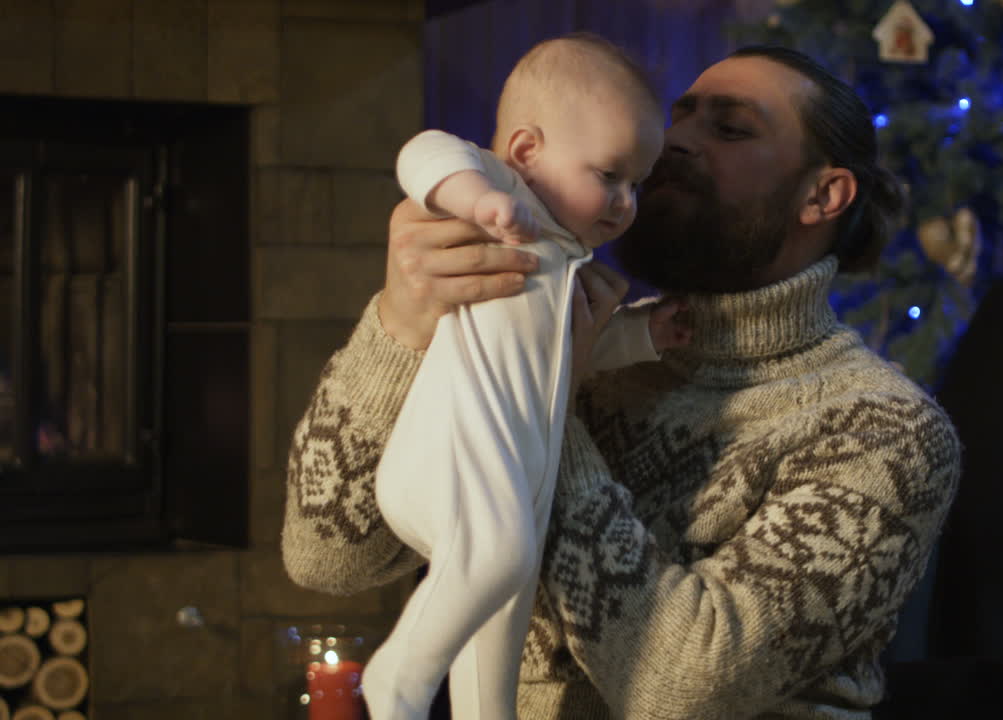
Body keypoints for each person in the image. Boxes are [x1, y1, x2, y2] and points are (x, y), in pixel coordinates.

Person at [283, 43, 962, 719]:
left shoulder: (883, 428)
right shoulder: (566, 330)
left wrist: (550, 401)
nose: (674, 144)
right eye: (680, 116)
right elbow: (329, 561)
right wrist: (405, 322)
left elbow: (680, 688)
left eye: (728, 129)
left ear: (823, 194)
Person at [360, 34, 685, 720]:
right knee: (499, 552)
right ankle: (396, 680)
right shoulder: (508, 202)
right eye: (609, 175)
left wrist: (644, 335)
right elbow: (423, 152)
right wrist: (476, 197)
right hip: (447, 460)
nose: (626, 202)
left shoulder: (570, 264)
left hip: (513, 477)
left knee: (500, 630)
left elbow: (568, 354)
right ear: (528, 152)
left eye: (638, 185)